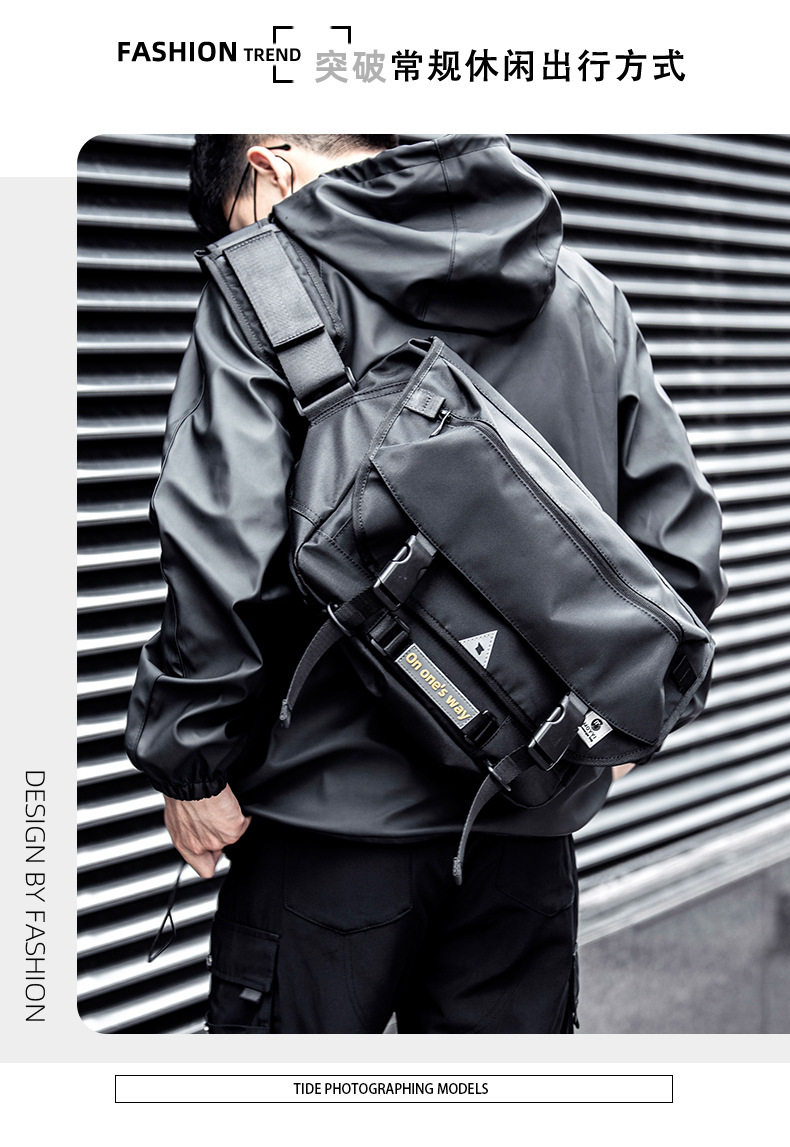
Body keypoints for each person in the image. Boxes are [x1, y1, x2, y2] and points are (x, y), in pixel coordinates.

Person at [125, 134, 726, 1034]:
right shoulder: (584, 291)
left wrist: (189, 762)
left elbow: (223, 547)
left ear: (270, 164)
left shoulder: (265, 279)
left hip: (327, 834)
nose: (249, 240)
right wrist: (630, 715)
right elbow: (679, 553)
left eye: (238, 218)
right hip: (525, 831)